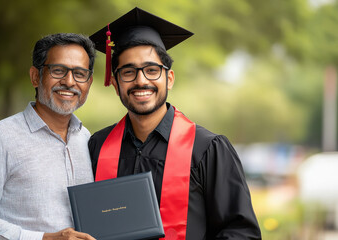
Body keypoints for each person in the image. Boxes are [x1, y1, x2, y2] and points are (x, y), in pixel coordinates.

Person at [88, 7, 262, 240]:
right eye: (128, 72)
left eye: (152, 70)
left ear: (169, 79)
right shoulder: (97, 147)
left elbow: (241, 232)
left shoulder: (207, 149)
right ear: (116, 83)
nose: (141, 81)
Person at [0, 33, 97, 240]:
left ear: (88, 82)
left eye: (80, 73)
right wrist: (44, 238)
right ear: (36, 76)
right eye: (58, 70)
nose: (69, 82)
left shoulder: (87, 139)